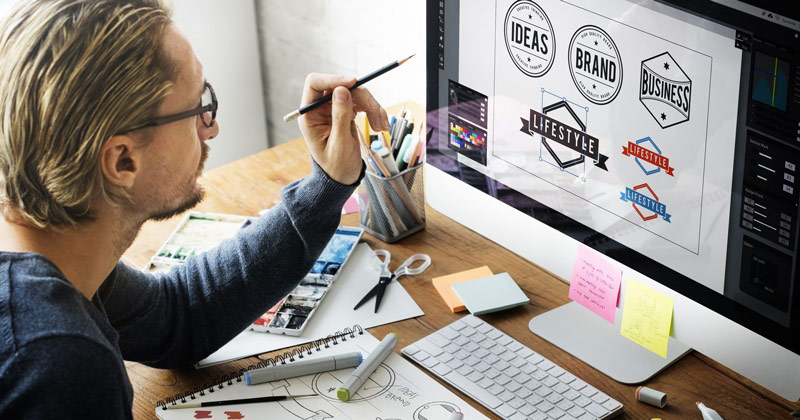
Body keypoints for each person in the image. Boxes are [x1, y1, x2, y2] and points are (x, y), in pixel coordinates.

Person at [0, 0, 390, 418]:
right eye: (198, 107)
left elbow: (174, 318)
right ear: (122, 161)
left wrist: (328, 184)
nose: (212, 126)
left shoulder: (53, 252)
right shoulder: (58, 364)